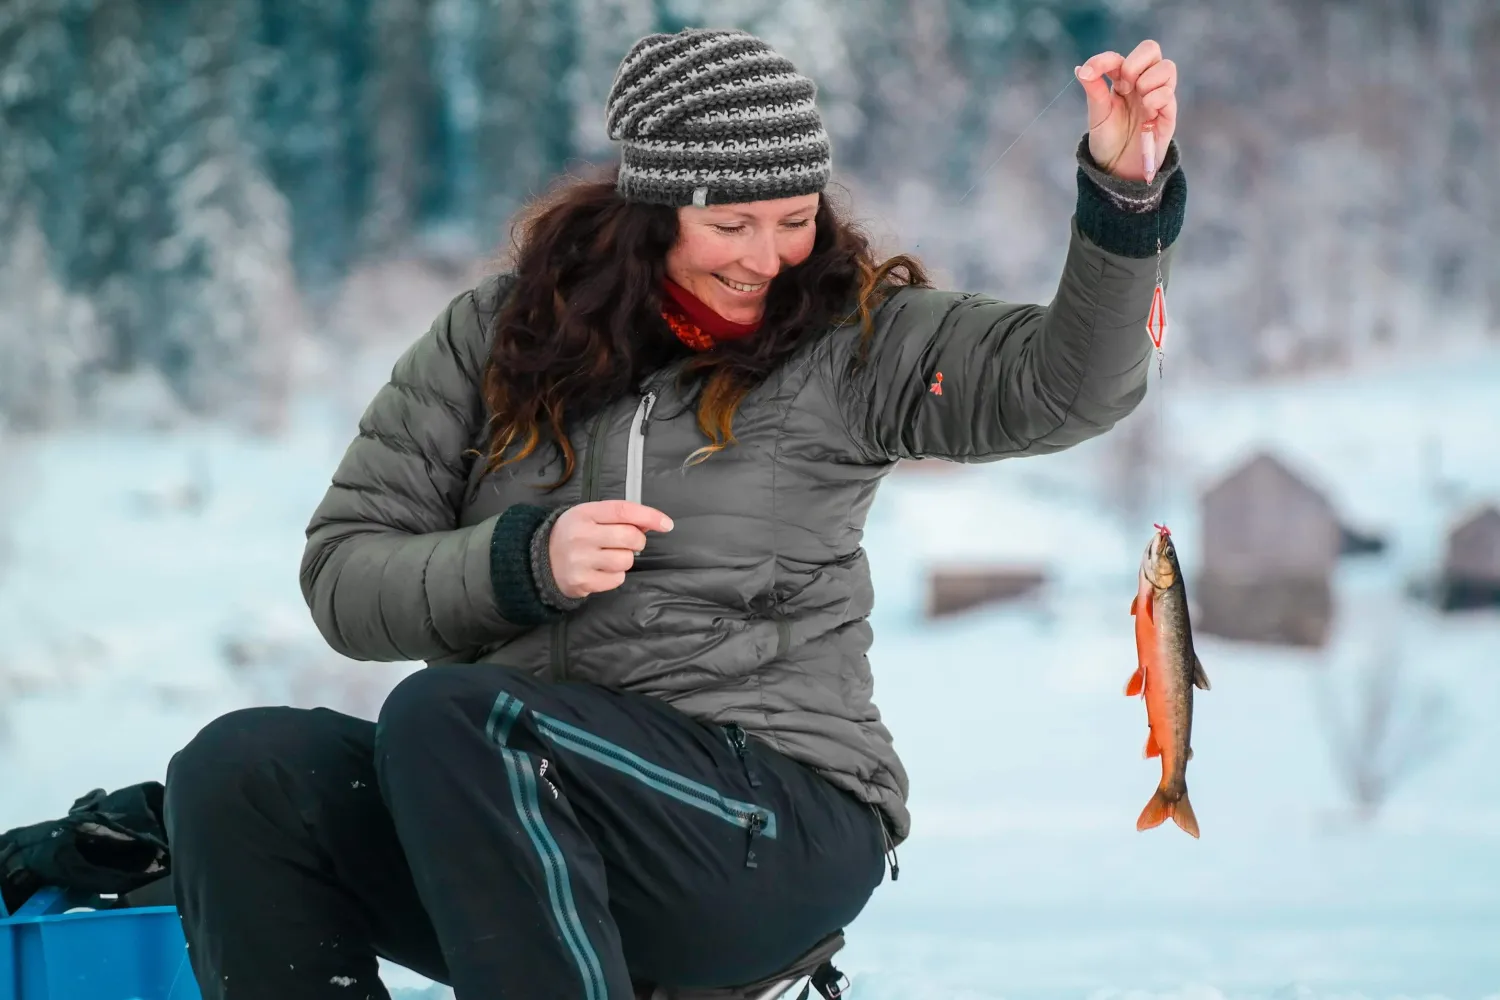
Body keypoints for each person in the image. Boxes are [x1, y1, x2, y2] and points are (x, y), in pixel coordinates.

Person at [160, 27, 1185, 1000]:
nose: (766, 257)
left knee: (460, 715)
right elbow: (345, 576)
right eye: (730, 224)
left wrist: (1123, 201)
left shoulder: (854, 342)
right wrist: (520, 564)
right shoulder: (491, 337)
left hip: (767, 819)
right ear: (649, 214)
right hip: (509, 814)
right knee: (241, 772)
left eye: (795, 219)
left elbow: (1069, 387)